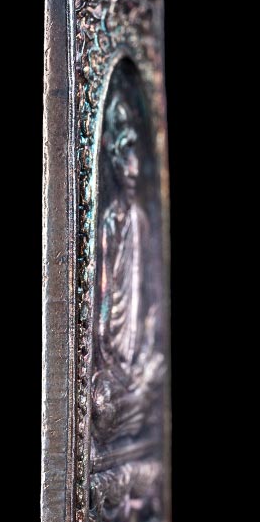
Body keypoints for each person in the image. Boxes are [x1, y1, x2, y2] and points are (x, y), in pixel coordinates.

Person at [92, 93, 165, 444]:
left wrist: (144, 351)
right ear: (118, 168)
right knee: (102, 404)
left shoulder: (140, 221)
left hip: (135, 362)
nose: (134, 172)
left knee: (150, 383)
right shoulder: (110, 224)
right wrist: (117, 367)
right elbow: (104, 313)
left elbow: (148, 299)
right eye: (127, 163)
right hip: (113, 365)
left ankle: (134, 405)